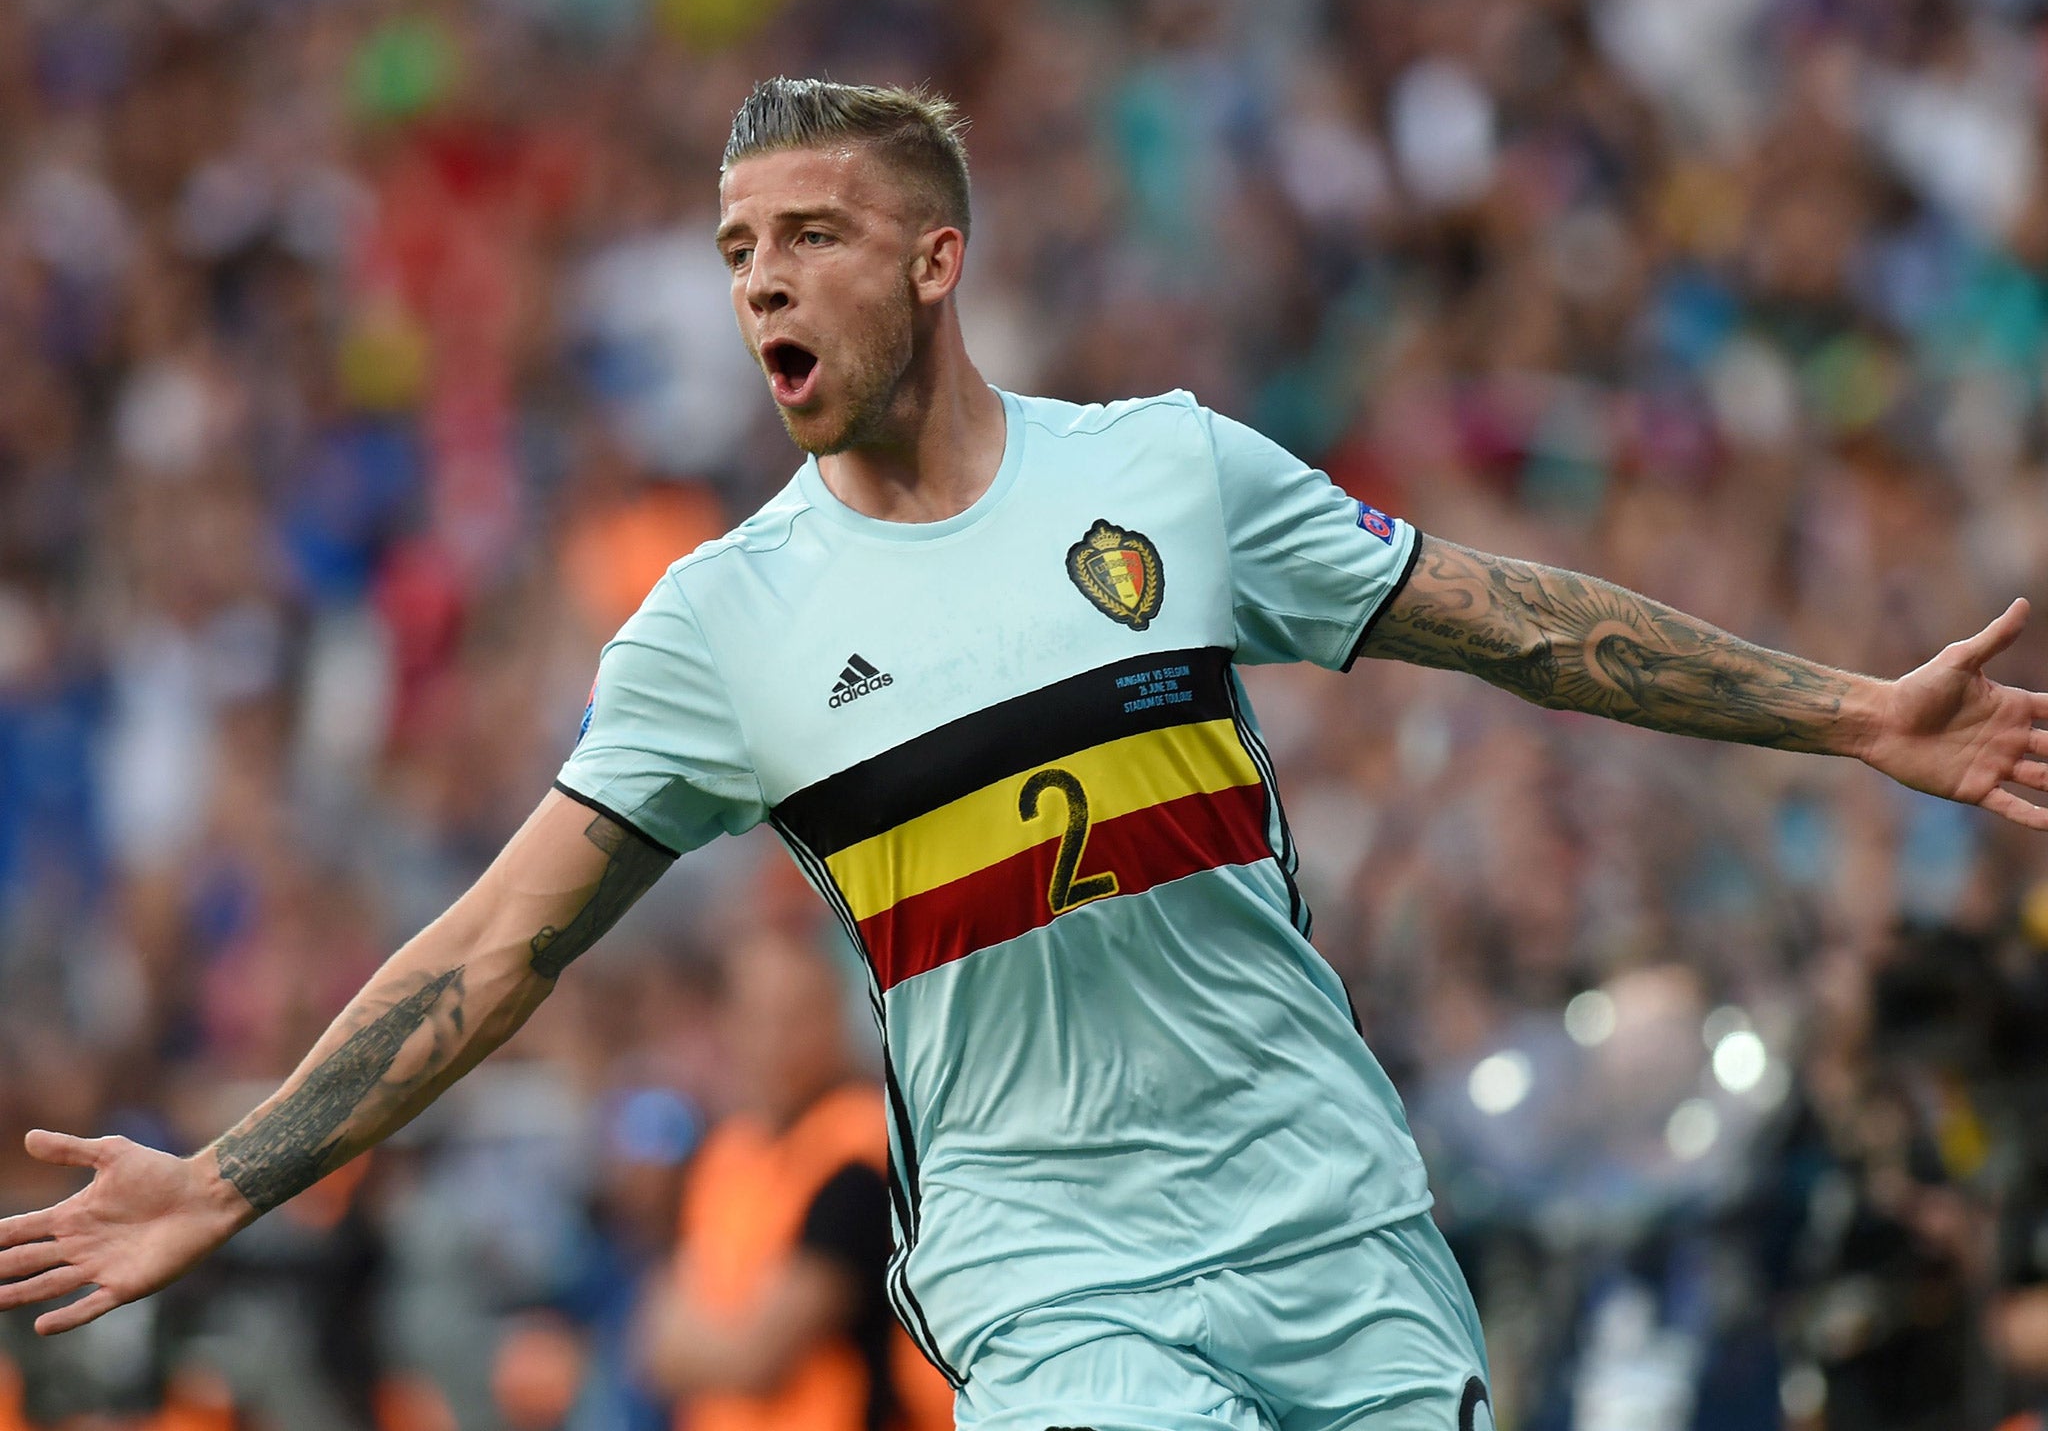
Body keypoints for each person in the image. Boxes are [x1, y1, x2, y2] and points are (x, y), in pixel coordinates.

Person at [1, 78, 2041, 1431]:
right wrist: (235, 1177)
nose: (759, 282)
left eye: (805, 233)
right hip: (1054, 1276)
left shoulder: (1164, 472)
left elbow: (1509, 623)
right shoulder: (725, 625)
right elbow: (495, 946)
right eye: (732, 251)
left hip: (1332, 1219)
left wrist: (1848, 711)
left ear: (932, 261)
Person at [637, 930, 953, 1431]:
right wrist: (700, 1346)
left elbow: (757, 1358)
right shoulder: (726, 1150)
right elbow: (653, 1347)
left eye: (797, 1018)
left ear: (835, 1021)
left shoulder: (860, 1153)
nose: (775, 1040)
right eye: (758, 1017)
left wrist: (699, 1343)